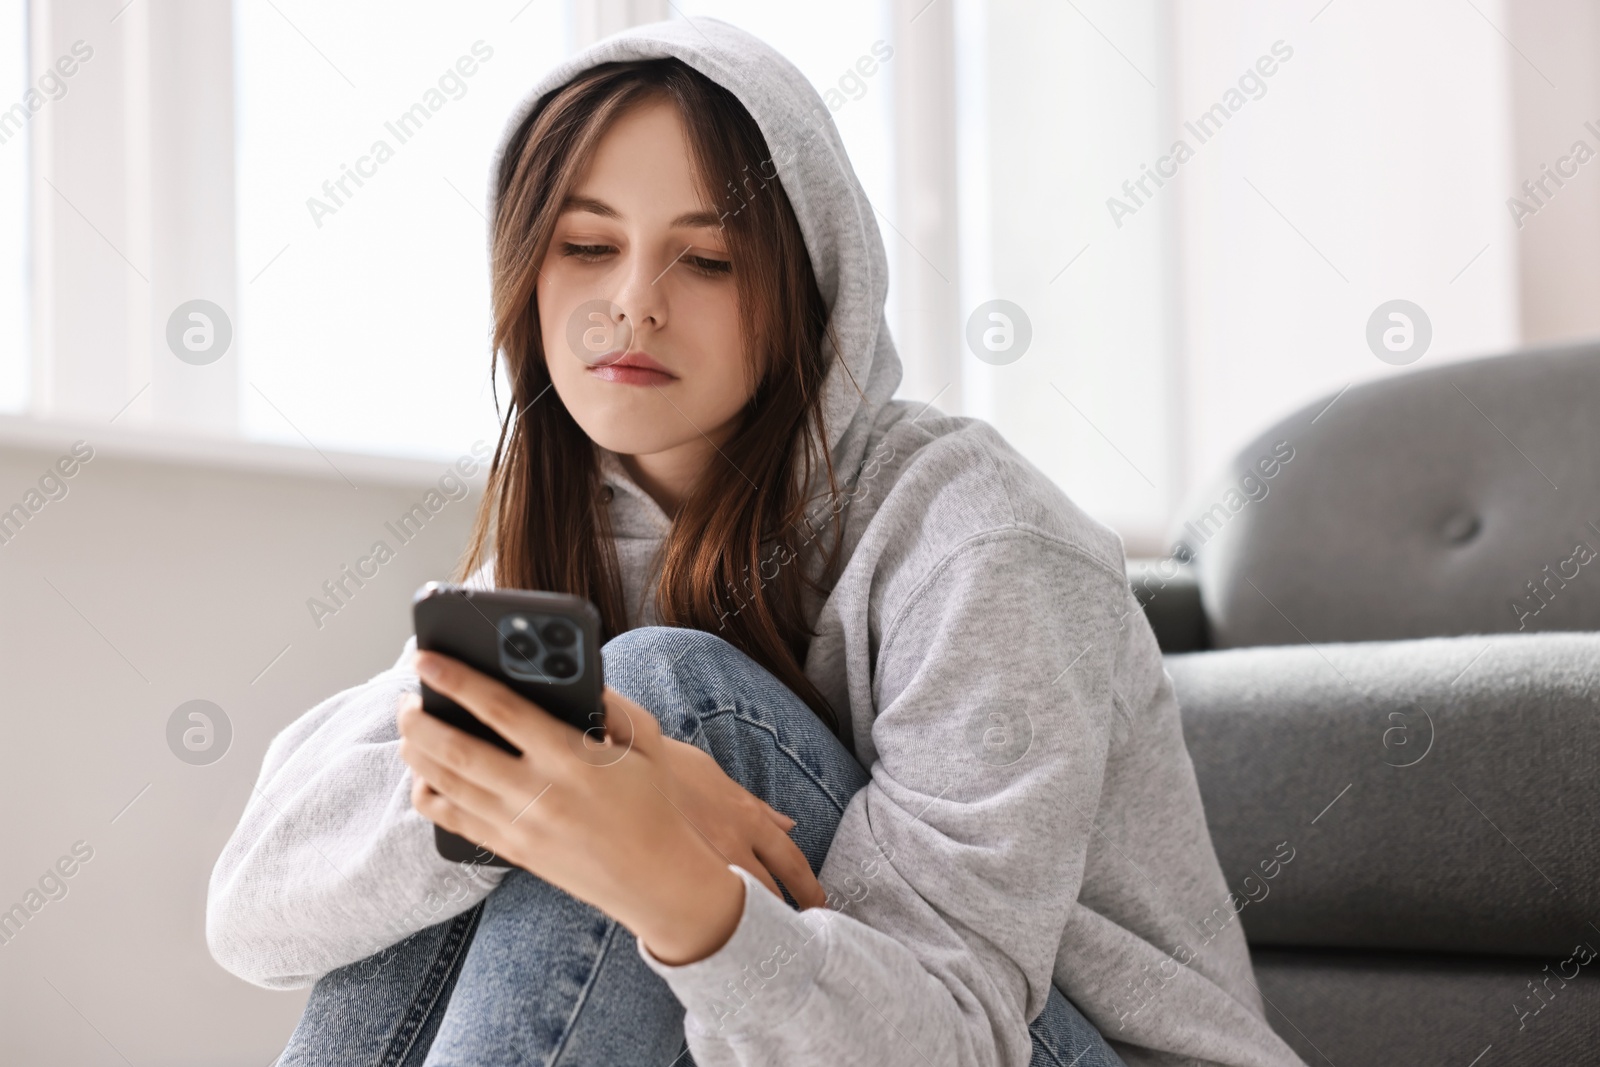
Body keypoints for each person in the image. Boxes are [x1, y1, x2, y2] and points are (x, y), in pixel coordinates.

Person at [206, 17, 1305, 1067]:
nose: (631, 305)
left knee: (653, 691)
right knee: (494, 785)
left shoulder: (981, 538)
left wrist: (673, 880)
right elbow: (254, 908)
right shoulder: (561, 540)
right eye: (586, 245)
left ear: (805, 291)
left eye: (709, 261)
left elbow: (948, 1039)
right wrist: (574, 794)